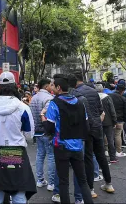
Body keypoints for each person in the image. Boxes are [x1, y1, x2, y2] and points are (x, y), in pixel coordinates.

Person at [0, 71, 37, 203]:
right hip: (16, 152)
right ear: (15, 87)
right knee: (19, 195)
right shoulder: (23, 107)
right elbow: (29, 135)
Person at [42, 75, 93, 204]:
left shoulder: (54, 103)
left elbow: (49, 127)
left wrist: (43, 116)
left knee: (63, 182)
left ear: (59, 88)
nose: (51, 87)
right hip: (77, 145)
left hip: (61, 146)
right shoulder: (80, 102)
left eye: (53, 85)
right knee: (82, 180)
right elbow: (86, 125)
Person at [72, 72, 115, 197]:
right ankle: (109, 183)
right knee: (101, 155)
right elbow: (100, 111)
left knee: (88, 158)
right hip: (97, 126)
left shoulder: (76, 93)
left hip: (86, 127)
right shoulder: (93, 91)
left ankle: (90, 189)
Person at [29, 78, 55, 191]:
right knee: (50, 156)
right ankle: (51, 182)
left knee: (40, 155)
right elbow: (49, 117)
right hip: (47, 131)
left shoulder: (34, 97)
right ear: (46, 86)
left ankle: (40, 180)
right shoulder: (49, 98)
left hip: (37, 131)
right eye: (51, 85)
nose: (52, 86)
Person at [95, 84, 118, 164]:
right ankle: (112, 157)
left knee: (100, 140)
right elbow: (112, 110)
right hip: (108, 122)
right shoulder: (107, 97)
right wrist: (114, 121)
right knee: (110, 140)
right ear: (102, 89)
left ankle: (102, 159)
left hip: (98, 121)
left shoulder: (94, 98)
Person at [109, 84, 126, 156]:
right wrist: (125, 120)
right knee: (117, 135)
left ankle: (108, 150)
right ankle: (118, 151)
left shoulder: (109, 96)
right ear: (123, 91)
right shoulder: (123, 98)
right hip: (120, 119)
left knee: (109, 135)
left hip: (110, 119)